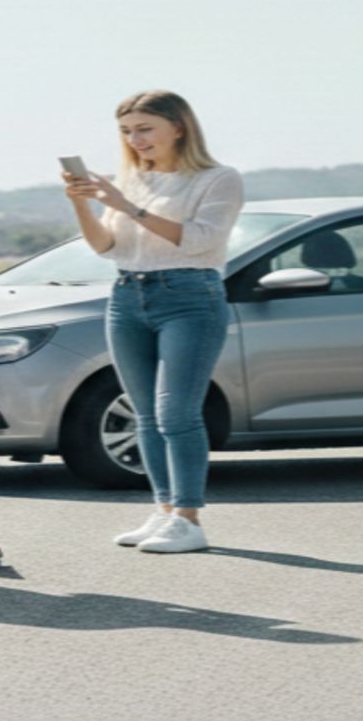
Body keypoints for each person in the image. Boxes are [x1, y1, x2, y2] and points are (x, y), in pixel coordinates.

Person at [62, 90, 243, 554]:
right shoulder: (133, 181)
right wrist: (83, 202)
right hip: (128, 295)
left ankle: (188, 518)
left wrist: (127, 205)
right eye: (126, 131)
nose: (134, 139)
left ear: (178, 126)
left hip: (190, 296)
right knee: (144, 413)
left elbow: (200, 241)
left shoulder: (218, 179)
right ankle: (164, 511)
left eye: (145, 129)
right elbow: (106, 247)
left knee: (176, 412)